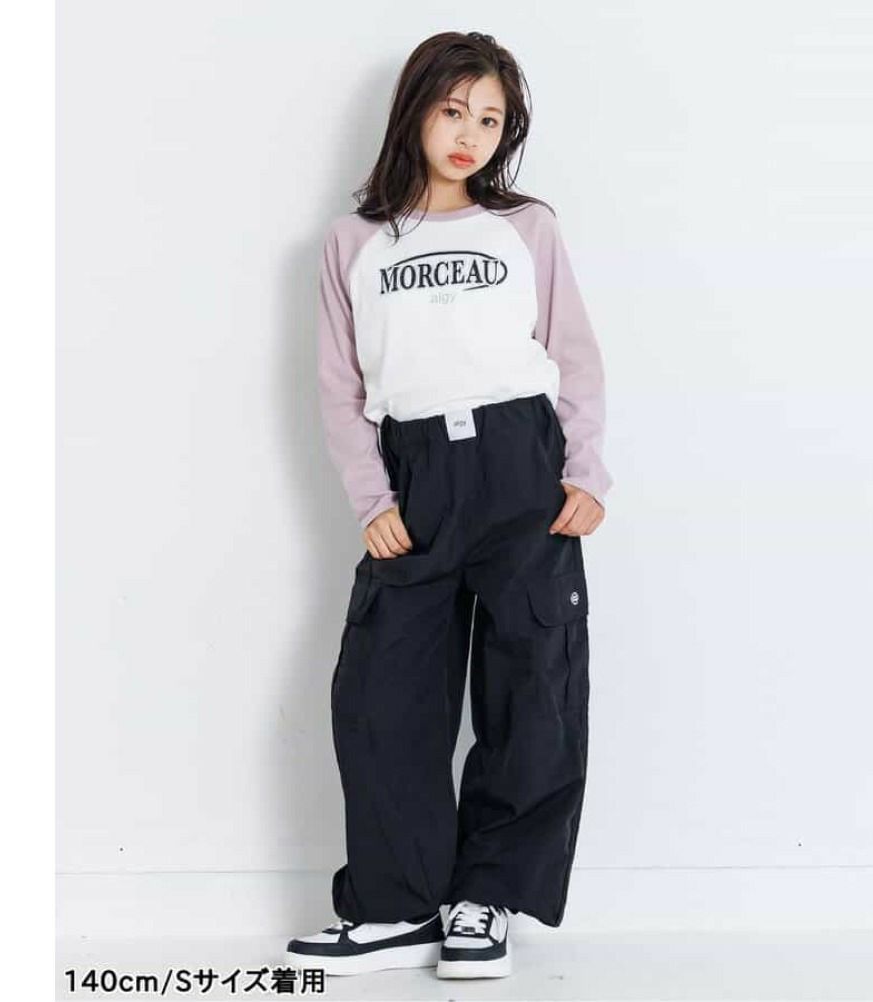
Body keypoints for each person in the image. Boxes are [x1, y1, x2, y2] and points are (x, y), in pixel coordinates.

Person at [286, 30, 613, 980]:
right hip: (414, 474)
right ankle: (396, 906)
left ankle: (486, 900)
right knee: (383, 691)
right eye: (453, 110)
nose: (470, 135)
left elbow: (575, 354)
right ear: (415, 111)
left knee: (530, 684)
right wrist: (371, 496)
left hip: (522, 466)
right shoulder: (354, 242)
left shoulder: (527, 227)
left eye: (491, 120)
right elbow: (339, 389)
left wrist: (586, 473)